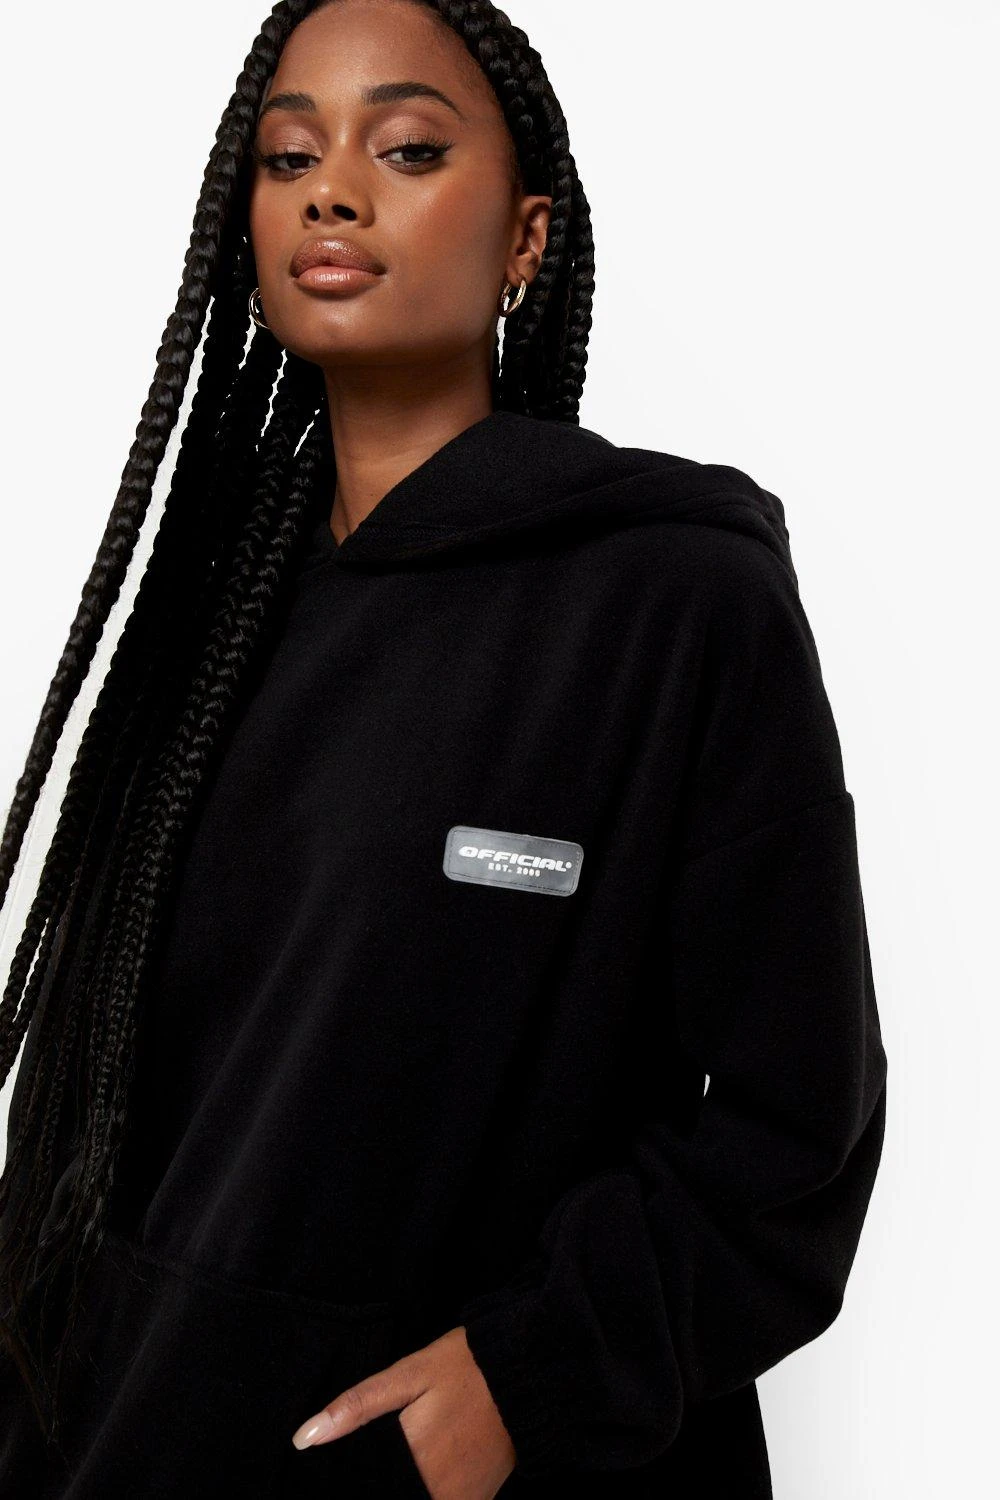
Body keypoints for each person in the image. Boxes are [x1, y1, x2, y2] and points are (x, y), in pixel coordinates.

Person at [0, 1, 888, 1496]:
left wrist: (525, 1380)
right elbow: (98, 1130)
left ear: (528, 238)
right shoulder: (202, 629)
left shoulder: (673, 600)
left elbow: (799, 1125)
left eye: (407, 149)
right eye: (289, 158)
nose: (333, 194)